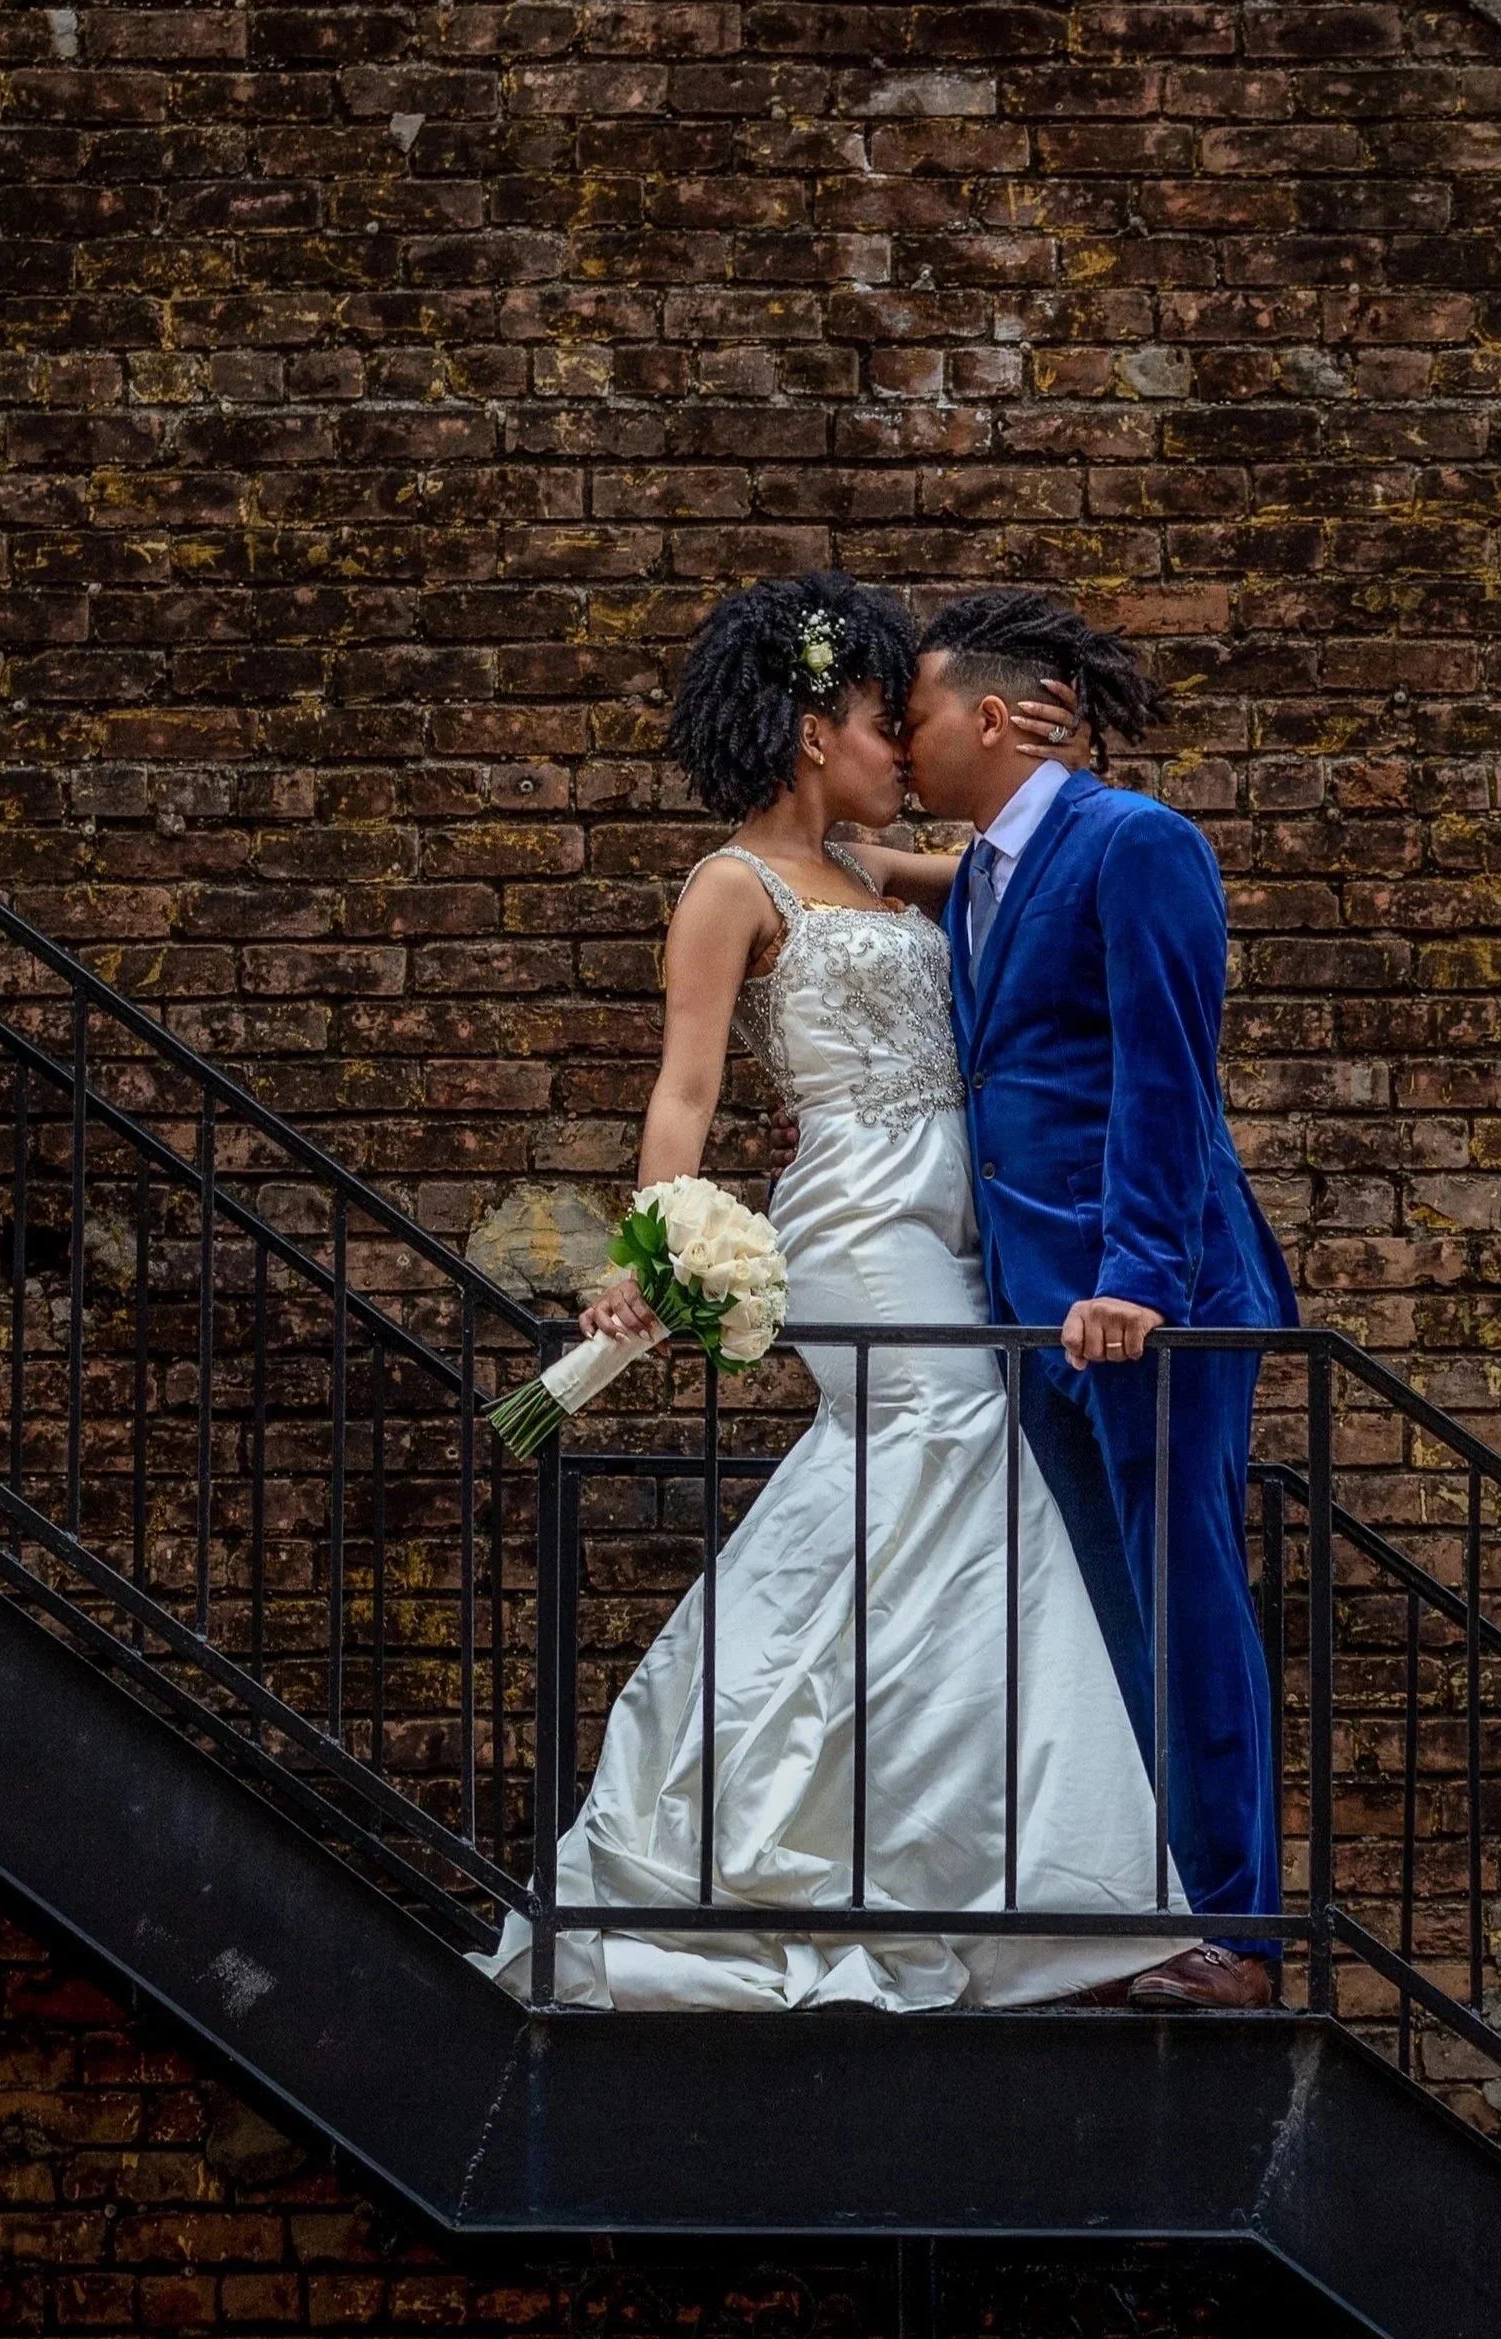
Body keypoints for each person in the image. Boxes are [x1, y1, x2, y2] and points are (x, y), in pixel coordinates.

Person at [479, 571, 1197, 2011]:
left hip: (955, 1218)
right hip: (857, 1223)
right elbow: (683, 1092)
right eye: (883, 726)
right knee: (951, 1453)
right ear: (817, 733)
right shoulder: (724, 888)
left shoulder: (876, 878)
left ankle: (960, 1858)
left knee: (945, 1499)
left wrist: (1043, 742)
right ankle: (800, 1828)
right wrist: (647, 1259)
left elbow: (1027, 867)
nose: (901, 758)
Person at [903, 590, 1299, 2011]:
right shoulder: (993, 879)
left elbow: (1164, 1074)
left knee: (1188, 1609)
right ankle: (1154, 1912)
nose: (902, 736)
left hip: (1154, 1306)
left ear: (992, 720)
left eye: (919, 715)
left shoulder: (1143, 844)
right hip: (1033, 1306)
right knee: (1111, 1617)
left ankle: (1241, 1941)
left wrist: (1136, 1279)